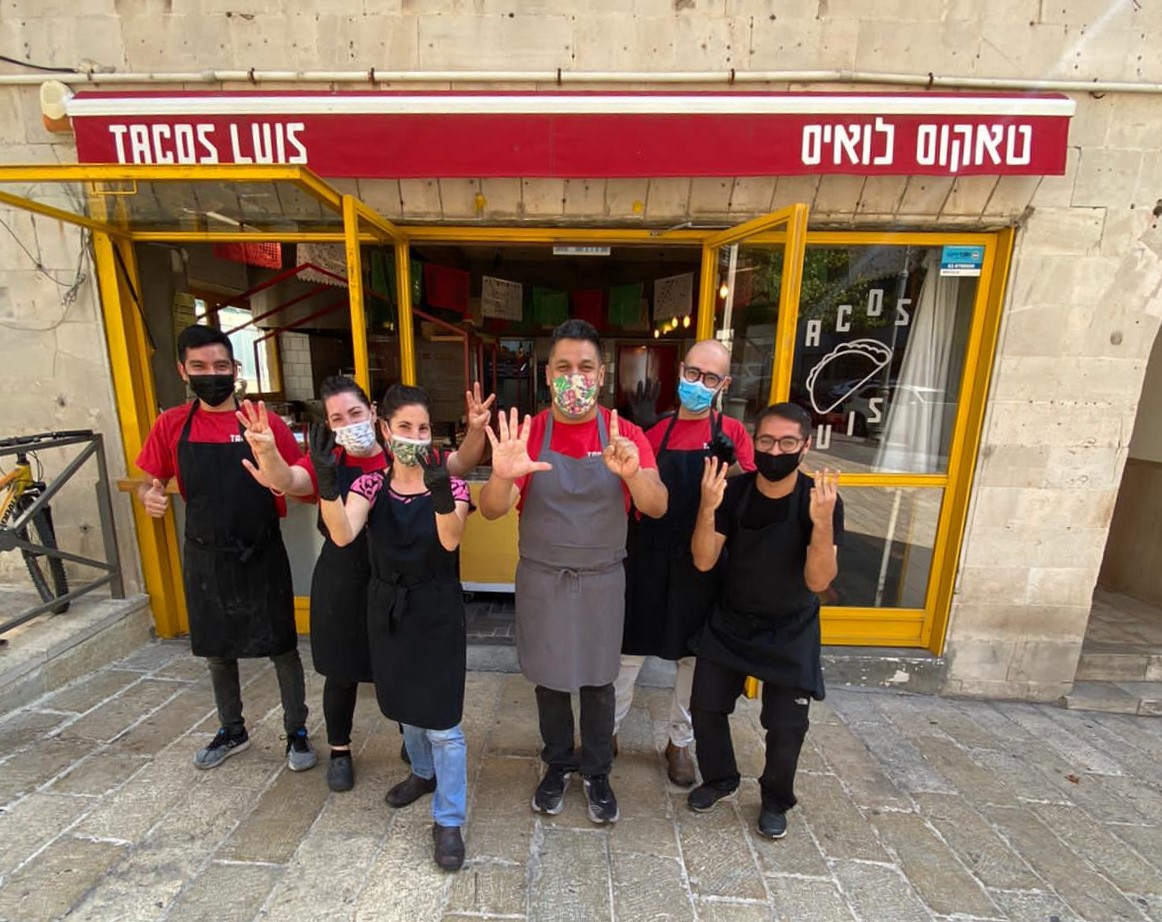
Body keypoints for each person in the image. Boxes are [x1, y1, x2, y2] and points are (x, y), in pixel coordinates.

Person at [237, 378, 492, 794]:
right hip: (359, 583)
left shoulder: (437, 473)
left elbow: (451, 524)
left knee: (424, 698)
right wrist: (300, 467)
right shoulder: (353, 475)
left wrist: (460, 456)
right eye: (337, 418)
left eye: (354, 414)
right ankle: (362, 755)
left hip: (423, 595)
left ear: (372, 416)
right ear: (387, 428)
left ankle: (437, 792)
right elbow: (317, 508)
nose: (414, 437)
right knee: (352, 675)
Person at [478, 319, 668, 825]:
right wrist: (502, 475)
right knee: (550, 679)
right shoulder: (530, 433)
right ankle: (558, 763)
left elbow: (657, 504)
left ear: (602, 375)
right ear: (547, 374)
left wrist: (632, 475)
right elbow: (493, 509)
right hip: (542, 579)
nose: (574, 377)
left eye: (585, 367)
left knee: (599, 681)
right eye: (564, 367)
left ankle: (597, 771)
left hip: (603, 579)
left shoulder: (625, 434)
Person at [135, 324, 315, 773]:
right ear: (183, 371)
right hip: (205, 552)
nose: (211, 374)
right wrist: (149, 494)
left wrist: (281, 468)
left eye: (220, 366)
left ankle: (296, 730)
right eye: (199, 367)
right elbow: (150, 477)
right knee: (217, 648)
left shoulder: (262, 421)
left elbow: (300, 479)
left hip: (261, 548)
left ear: (235, 369)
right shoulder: (172, 423)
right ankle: (231, 728)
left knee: (282, 645)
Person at [314, 384, 473, 871]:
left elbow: (449, 541)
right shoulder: (368, 486)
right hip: (387, 608)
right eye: (404, 427)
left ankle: (448, 819)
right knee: (405, 706)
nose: (414, 436)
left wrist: (441, 489)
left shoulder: (453, 486)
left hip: (437, 609)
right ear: (385, 429)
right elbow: (342, 534)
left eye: (423, 428)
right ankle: (421, 773)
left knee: (443, 721)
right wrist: (326, 484)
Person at [687, 402, 843, 840]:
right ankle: (720, 778)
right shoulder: (733, 494)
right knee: (706, 706)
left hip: (791, 628)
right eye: (766, 441)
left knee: (787, 725)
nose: (776, 451)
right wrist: (706, 506)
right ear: (754, 444)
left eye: (787, 442)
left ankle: (776, 799)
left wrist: (823, 524)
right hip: (731, 621)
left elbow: (818, 580)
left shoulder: (821, 501)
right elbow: (703, 560)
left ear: (805, 446)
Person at [615, 339, 756, 786]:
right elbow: (634, 497)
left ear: (724, 384)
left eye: (710, 379)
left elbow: (750, 495)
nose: (698, 384)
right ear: (680, 371)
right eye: (693, 374)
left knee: (693, 660)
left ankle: (680, 742)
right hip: (648, 556)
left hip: (702, 561)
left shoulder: (733, 433)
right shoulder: (654, 431)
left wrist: (731, 470)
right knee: (626, 655)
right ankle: (608, 733)